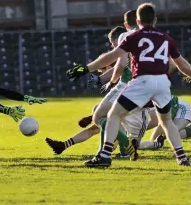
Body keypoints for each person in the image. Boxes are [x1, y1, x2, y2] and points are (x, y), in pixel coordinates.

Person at [67, 2, 191, 167]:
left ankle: (104, 156)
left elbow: (112, 56)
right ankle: (182, 158)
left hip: (142, 81)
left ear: (138, 21)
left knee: (113, 115)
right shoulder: (166, 39)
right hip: (162, 83)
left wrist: (86, 68)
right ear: (155, 20)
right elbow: (183, 66)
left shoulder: (134, 36)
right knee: (167, 121)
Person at [46, 26, 151, 159]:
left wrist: (105, 80)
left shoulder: (124, 45)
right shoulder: (145, 45)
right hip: (141, 97)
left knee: (101, 118)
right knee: (100, 119)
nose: (113, 48)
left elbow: (118, 67)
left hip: (135, 104)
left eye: (113, 44)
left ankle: (122, 148)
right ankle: (67, 146)